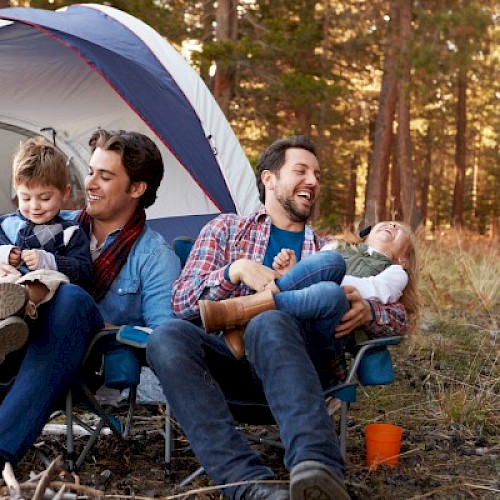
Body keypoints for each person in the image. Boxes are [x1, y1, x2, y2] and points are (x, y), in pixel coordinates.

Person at [147, 136, 407, 500]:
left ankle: (318, 469)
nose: (313, 181)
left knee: (292, 305)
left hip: (305, 365)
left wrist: (371, 310)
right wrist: (233, 271)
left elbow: (399, 315)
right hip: (234, 367)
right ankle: (247, 484)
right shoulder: (225, 230)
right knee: (166, 337)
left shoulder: (328, 247)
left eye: (316, 174)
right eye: (300, 171)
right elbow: (181, 302)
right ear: (268, 179)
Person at [0, 129, 181, 472]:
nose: (91, 183)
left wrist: (108, 329)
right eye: (91, 171)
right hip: (20, 344)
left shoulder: (155, 256)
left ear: (137, 188)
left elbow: (166, 339)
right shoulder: (53, 223)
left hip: (90, 361)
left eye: (105, 176)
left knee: (69, 297)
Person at [199, 220, 420, 385]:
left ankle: (241, 313)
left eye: (400, 229)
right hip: (291, 321)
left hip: (324, 337)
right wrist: (297, 271)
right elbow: (313, 268)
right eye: (388, 221)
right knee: (330, 269)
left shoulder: (396, 271)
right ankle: (244, 317)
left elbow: (375, 291)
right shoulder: (336, 246)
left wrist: (310, 277)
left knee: (331, 292)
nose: (392, 224)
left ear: (404, 259)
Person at [0, 137, 92, 364]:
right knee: (6, 276)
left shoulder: (70, 232)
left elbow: (84, 270)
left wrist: (48, 261)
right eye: (25, 198)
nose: (35, 206)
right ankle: (6, 321)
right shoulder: (6, 225)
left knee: (47, 277)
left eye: (44, 198)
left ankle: (21, 306)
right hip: (8, 284)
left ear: (64, 192)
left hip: (40, 301)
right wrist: (4, 254)